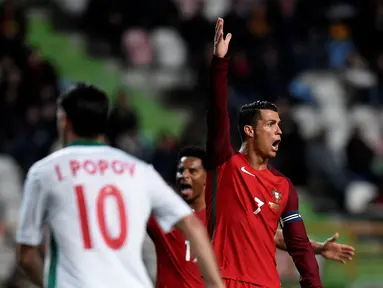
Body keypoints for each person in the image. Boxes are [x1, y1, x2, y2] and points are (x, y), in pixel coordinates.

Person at [15, 83, 224, 288]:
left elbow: (26, 256)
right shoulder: (139, 171)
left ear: (64, 121)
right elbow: (192, 225)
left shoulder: (45, 172)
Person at [206, 18, 322, 287]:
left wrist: (313, 284)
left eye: (279, 125)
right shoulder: (226, 164)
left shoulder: (283, 186)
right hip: (225, 280)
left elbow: (298, 244)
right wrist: (219, 64)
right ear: (249, 131)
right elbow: (217, 115)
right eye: (271, 124)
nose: (279, 131)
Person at [147, 146, 355, 287]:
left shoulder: (228, 217)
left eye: (192, 171)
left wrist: (318, 248)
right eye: (181, 171)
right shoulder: (164, 217)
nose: (184, 175)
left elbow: (274, 236)